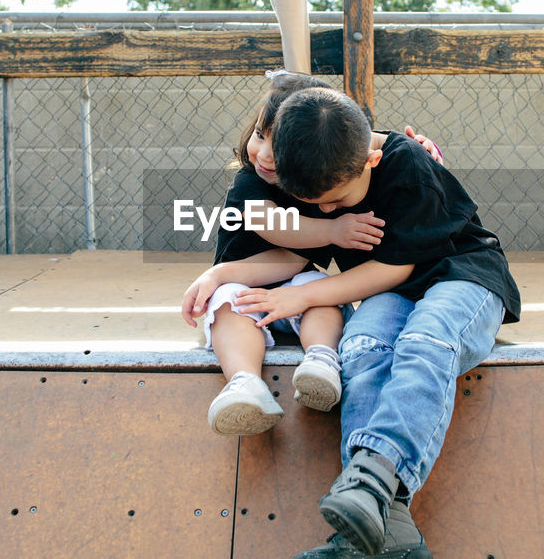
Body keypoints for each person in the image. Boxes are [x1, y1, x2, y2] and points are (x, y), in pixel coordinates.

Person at [229, 86, 520, 559]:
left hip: (464, 277)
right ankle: (381, 527)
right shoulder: (313, 169)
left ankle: (374, 477)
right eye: (319, 206)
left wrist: (302, 298)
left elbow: (396, 266)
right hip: (395, 291)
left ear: (371, 156)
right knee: (360, 349)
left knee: (425, 343)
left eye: (339, 201)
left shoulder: (405, 163)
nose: (331, 209)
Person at [180, 72, 443, 436]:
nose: (266, 156)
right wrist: (333, 230)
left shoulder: (319, 174)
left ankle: (321, 360)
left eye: (280, 146)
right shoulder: (252, 181)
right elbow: (270, 224)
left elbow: (351, 144)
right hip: (245, 279)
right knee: (230, 305)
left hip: (298, 280)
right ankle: (245, 383)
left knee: (322, 294)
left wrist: (421, 152)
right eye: (260, 136)